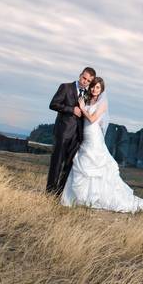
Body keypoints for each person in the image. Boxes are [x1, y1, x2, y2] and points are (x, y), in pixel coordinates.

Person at [60, 77, 143, 215]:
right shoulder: (86, 99)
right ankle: (80, 198)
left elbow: (93, 119)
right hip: (85, 136)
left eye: (98, 87)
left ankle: (95, 199)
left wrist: (82, 108)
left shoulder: (103, 103)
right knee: (82, 164)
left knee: (96, 166)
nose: (95, 89)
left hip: (94, 137)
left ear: (102, 90)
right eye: (93, 86)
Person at [46, 67, 95, 195]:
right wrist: (71, 109)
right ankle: (49, 193)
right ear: (80, 75)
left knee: (69, 167)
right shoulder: (65, 87)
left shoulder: (88, 95)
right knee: (56, 164)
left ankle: (59, 195)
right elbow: (53, 104)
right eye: (84, 78)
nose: (85, 82)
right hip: (62, 133)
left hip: (77, 136)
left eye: (89, 81)